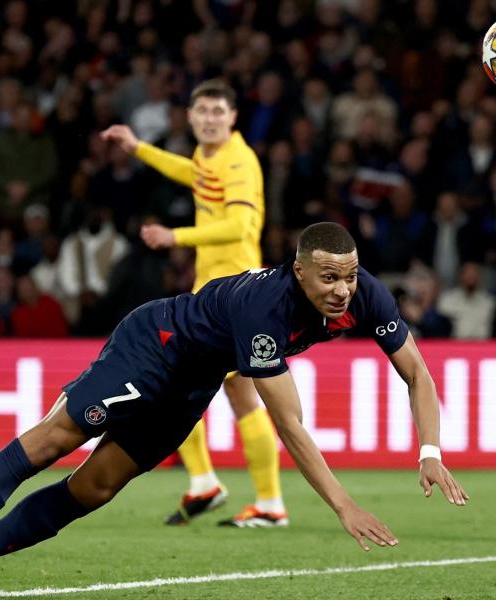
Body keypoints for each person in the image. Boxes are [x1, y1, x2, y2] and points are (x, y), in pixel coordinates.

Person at [0, 222, 468, 600]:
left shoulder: (365, 297)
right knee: (51, 442)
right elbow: (289, 424)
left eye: (350, 277)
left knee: (93, 490)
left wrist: (431, 451)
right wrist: (344, 505)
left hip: (191, 385)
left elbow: (416, 371)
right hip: (155, 347)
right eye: (329, 278)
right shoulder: (267, 309)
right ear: (299, 270)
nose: (342, 291)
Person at [101, 79, 284, 528]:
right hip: (216, 292)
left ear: (233, 117)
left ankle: (260, 500)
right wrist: (138, 147)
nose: (209, 119)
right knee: (194, 387)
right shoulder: (209, 157)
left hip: (237, 293)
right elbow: (189, 173)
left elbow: (239, 226)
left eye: (218, 112)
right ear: (191, 114)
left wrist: (174, 236)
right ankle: (215, 486)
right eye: (201, 111)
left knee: (194, 386)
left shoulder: (240, 161)